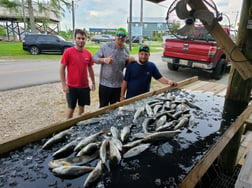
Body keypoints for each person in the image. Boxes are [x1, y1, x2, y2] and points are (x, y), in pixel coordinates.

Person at [93, 27, 134, 108]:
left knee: (115, 109)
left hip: (118, 86)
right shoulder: (106, 46)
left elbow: (125, 66)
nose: (121, 37)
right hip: (105, 84)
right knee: (103, 108)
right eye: (119, 35)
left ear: (126, 38)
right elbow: (94, 58)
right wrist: (104, 60)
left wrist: (129, 61)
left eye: (123, 35)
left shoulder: (126, 51)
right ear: (115, 36)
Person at [60, 29, 96, 119]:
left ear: (85, 40)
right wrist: (64, 85)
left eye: (83, 38)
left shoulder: (88, 53)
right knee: (71, 108)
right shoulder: (68, 52)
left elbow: (90, 68)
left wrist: (93, 82)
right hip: (72, 87)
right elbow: (62, 68)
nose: (81, 40)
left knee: (82, 108)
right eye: (79, 38)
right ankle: (66, 127)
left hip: (84, 86)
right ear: (75, 39)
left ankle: (77, 126)